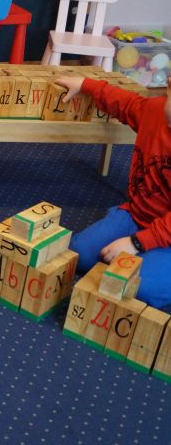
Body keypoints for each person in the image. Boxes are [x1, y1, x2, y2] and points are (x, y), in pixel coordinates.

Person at [55, 75, 171, 310]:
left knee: (140, 287)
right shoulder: (153, 110)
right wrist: (85, 84)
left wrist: (137, 243)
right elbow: (124, 103)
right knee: (79, 254)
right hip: (137, 215)